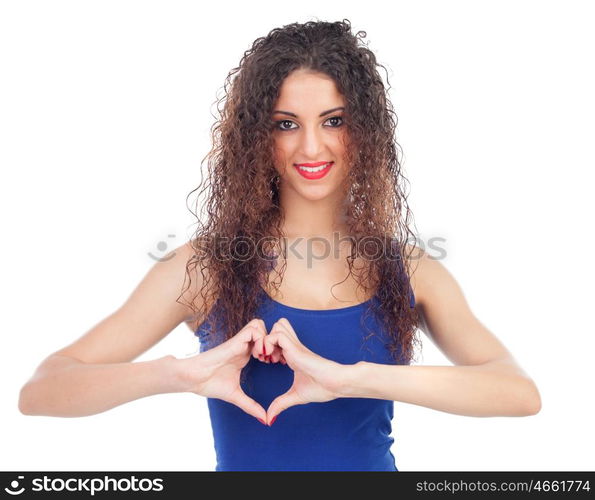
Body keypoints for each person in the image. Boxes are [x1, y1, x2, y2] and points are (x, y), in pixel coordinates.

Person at [18, 19, 541, 471]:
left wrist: (354, 379)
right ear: (256, 137)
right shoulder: (205, 268)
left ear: (364, 129)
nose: (311, 146)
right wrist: (177, 374)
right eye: (286, 125)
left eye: (333, 121)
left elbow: (518, 393)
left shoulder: (410, 269)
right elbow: (41, 390)